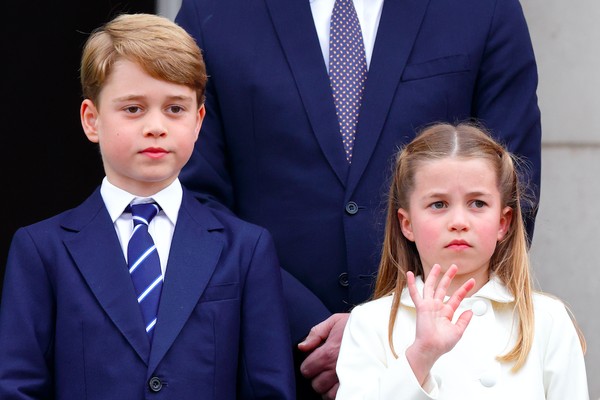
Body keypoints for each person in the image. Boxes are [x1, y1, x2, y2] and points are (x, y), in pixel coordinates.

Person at [174, 0, 542, 397]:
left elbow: (508, 188)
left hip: (442, 365)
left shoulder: (483, 8)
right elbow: (193, 200)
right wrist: (306, 326)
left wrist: (386, 326)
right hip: (270, 361)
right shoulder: (212, 11)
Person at [0, 13, 294, 399]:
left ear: (198, 120)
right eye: (133, 108)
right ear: (92, 119)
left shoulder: (246, 248)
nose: (156, 126)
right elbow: (19, 387)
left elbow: (269, 389)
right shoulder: (41, 250)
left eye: (175, 108)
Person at [335, 122, 588, 399]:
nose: (458, 222)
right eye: (438, 204)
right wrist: (420, 357)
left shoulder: (547, 320)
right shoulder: (371, 324)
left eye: (477, 203)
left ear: (503, 222)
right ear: (407, 223)